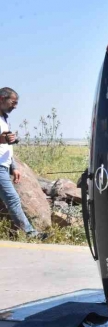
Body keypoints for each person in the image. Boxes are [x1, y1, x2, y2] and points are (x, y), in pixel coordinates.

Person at [0, 87, 46, 239]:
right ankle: (31, 234)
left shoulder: (4, 119)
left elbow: (5, 143)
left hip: (4, 166)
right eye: (13, 102)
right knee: (12, 198)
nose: (15, 106)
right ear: (2, 99)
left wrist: (13, 166)